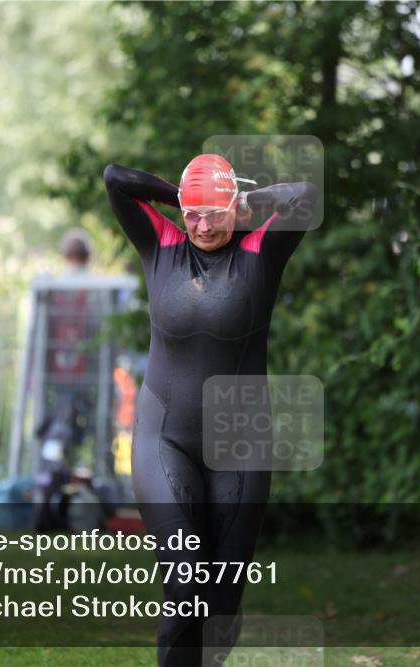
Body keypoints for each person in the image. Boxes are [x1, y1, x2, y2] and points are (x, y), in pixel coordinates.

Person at [103, 155, 317, 666]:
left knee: (219, 608)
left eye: (212, 213)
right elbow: (116, 178)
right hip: (164, 440)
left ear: (232, 208)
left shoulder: (261, 251)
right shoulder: (161, 243)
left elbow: (306, 193)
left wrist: (248, 201)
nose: (200, 225)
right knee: (183, 586)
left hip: (240, 445)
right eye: (191, 213)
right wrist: (179, 192)